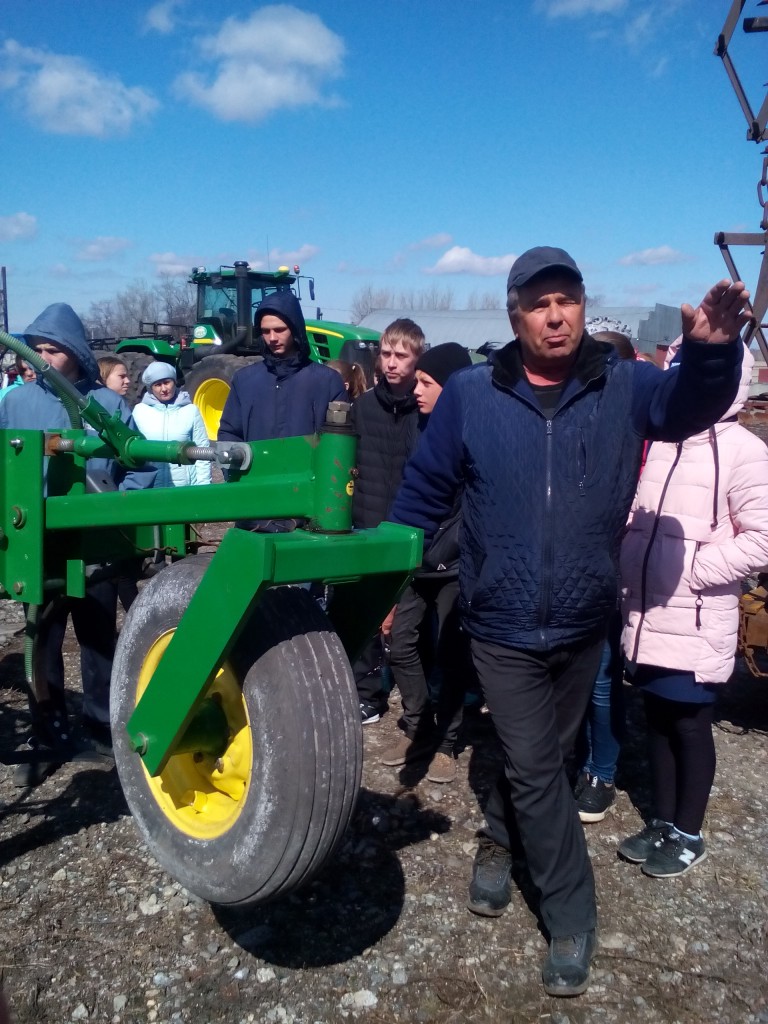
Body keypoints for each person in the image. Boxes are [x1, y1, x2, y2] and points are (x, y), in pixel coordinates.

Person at [390, 245, 749, 998]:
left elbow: (688, 407)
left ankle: (498, 838)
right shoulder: (472, 395)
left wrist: (713, 355)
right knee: (532, 763)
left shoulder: (622, 385)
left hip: (584, 622)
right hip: (501, 623)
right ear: (515, 315)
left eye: (568, 300)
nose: (556, 316)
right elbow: (423, 492)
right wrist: (387, 583)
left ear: (583, 306)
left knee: (544, 761)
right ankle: (571, 914)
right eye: (539, 304)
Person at [618, 338, 768, 877]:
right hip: (647, 612)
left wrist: (697, 571)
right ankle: (663, 820)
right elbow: (639, 513)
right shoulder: (662, 442)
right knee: (657, 720)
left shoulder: (745, 450)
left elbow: (763, 538)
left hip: (698, 617)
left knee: (689, 724)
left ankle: (689, 832)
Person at [0, 303, 155, 788]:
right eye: (36, 349)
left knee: (97, 637)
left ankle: (100, 728)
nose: (41, 358)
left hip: (95, 545)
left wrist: (117, 509)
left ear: (76, 352)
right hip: (39, 543)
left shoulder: (105, 405)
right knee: (41, 639)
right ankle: (47, 734)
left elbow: (143, 465)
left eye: (52, 350)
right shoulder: (17, 404)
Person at [381, 342, 473, 783]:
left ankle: (448, 744)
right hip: (416, 561)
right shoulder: (416, 427)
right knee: (399, 643)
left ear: (451, 388)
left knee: (451, 656)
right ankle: (417, 725)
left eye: (427, 382)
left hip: (453, 566)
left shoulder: (472, 435)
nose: (416, 390)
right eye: (417, 381)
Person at [574, 317, 635, 824]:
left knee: (601, 679)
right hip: (575, 570)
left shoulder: (643, 427)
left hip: (617, 574)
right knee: (573, 675)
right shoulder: (576, 418)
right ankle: (576, 756)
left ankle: (602, 769)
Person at [349, 318, 425, 724]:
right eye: (386, 354)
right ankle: (368, 693)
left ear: (417, 360)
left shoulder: (427, 411)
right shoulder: (363, 408)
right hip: (368, 522)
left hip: (412, 525)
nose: (392, 363)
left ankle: (420, 695)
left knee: (408, 618)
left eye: (401, 355)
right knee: (366, 610)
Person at [218, 290, 345, 443]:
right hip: (259, 460)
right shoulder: (244, 380)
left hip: (307, 460)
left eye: (279, 330)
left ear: (295, 329)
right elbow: (230, 433)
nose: (272, 338)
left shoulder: (327, 381)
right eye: (266, 331)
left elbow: (339, 441)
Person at [132, 362, 212, 488]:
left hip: (184, 488)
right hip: (150, 487)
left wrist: (203, 487)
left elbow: (202, 450)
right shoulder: (139, 412)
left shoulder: (190, 411)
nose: (164, 389)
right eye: (158, 385)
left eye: (167, 382)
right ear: (150, 388)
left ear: (174, 382)